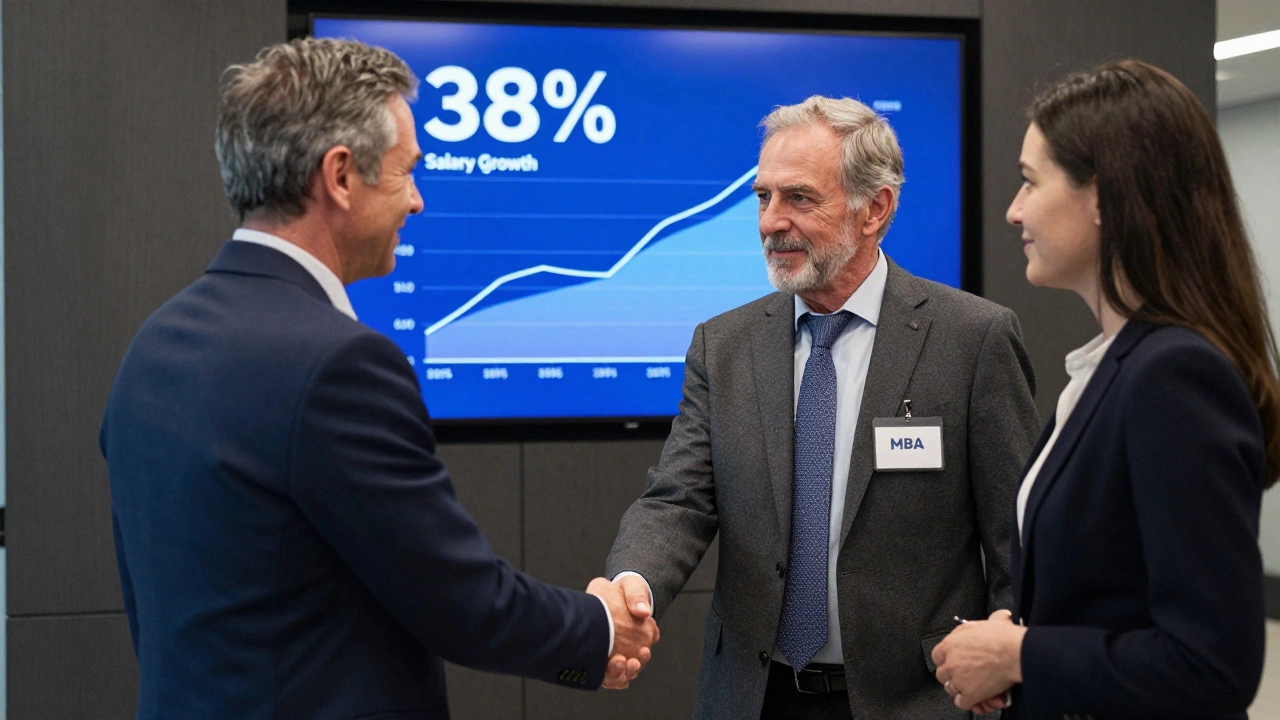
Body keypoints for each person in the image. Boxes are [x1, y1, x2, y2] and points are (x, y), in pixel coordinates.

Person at [99, 39, 657, 720]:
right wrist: (601, 630)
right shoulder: (339, 365)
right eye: (405, 173)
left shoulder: (154, 344)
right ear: (339, 176)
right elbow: (462, 601)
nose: (417, 202)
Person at [604, 95, 1040, 719]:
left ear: (876, 209)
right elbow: (679, 499)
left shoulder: (972, 340)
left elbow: (1016, 540)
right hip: (754, 698)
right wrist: (631, 585)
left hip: (920, 700)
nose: (770, 222)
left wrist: (1012, 669)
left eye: (799, 198)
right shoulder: (723, 344)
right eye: (763, 198)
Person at [931, 59, 1277, 719]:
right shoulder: (1114, 366)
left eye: (1030, 182)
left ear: (1103, 197)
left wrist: (1018, 655)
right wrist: (1016, 649)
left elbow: (1212, 665)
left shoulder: (1173, 376)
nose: (1012, 210)